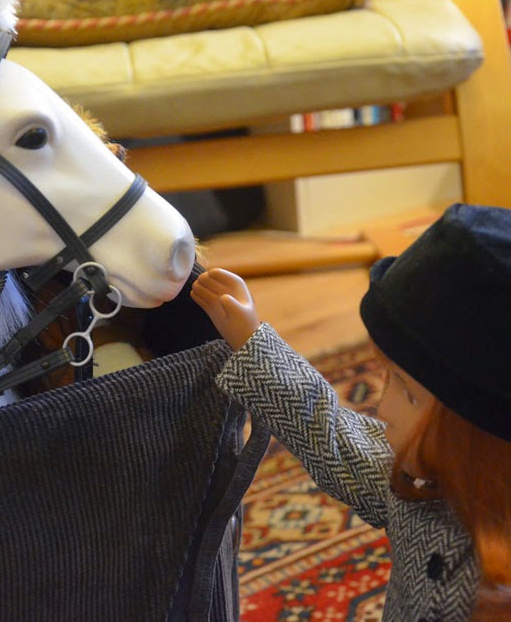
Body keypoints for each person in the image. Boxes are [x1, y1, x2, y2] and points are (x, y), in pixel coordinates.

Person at [190, 203, 510, 622]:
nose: (382, 407)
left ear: (480, 431)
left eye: (409, 394)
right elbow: (331, 433)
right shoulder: (422, 485)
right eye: (388, 377)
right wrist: (250, 341)